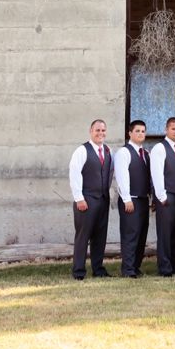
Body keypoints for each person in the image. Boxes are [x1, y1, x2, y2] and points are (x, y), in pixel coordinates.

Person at [68, 119, 114, 280]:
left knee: (100, 236)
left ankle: (98, 269)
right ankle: (79, 271)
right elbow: (74, 174)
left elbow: (108, 174)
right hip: (86, 199)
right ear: (90, 131)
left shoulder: (108, 150)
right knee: (83, 236)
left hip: (102, 199)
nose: (101, 133)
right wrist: (79, 198)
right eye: (97, 130)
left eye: (103, 130)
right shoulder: (82, 151)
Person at [114, 119, 151, 278]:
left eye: (143, 131)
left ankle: (136, 267)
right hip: (131, 200)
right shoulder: (124, 152)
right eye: (137, 131)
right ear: (130, 133)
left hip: (143, 199)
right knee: (130, 236)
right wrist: (126, 198)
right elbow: (122, 177)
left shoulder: (145, 153)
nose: (140, 134)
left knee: (141, 235)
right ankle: (128, 270)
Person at [150, 116, 175, 277]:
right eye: (173, 129)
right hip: (166, 196)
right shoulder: (160, 148)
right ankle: (164, 268)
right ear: (166, 129)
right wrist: (161, 196)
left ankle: (174, 266)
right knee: (164, 233)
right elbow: (156, 173)